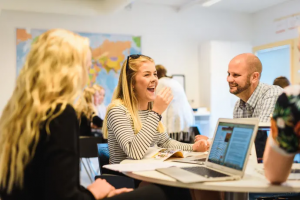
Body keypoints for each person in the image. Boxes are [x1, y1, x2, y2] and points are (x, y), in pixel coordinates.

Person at [0, 29, 198, 200]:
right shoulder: (60, 115)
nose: (87, 73)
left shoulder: (18, 112)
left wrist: (193, 148)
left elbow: (52, 185)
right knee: (169, 192)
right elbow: (63, 195)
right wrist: (93, 193)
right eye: (85, 66)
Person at [102, 54, 210, 165]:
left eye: (155, 74)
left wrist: (193, 147)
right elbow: (134, 152)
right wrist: (156, 112)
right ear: (131, 82)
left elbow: (165, 142)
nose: (154, 79)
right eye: (147, 75)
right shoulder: (118, 110)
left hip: (145, 173)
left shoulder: (150, 110)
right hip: (126, 178)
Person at [227, 53, 282, 122]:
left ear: (254, 77)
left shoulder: (272, 94)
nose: (229, 79)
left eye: (236, 75)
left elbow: (262, 132)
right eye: (229, 74)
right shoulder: (238, 106)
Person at [155, 64, 194, 143]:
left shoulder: (160, 82)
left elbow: (154, 100)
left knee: (172, 145)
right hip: (185, 117)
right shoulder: (173, 81)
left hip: (174, 117)